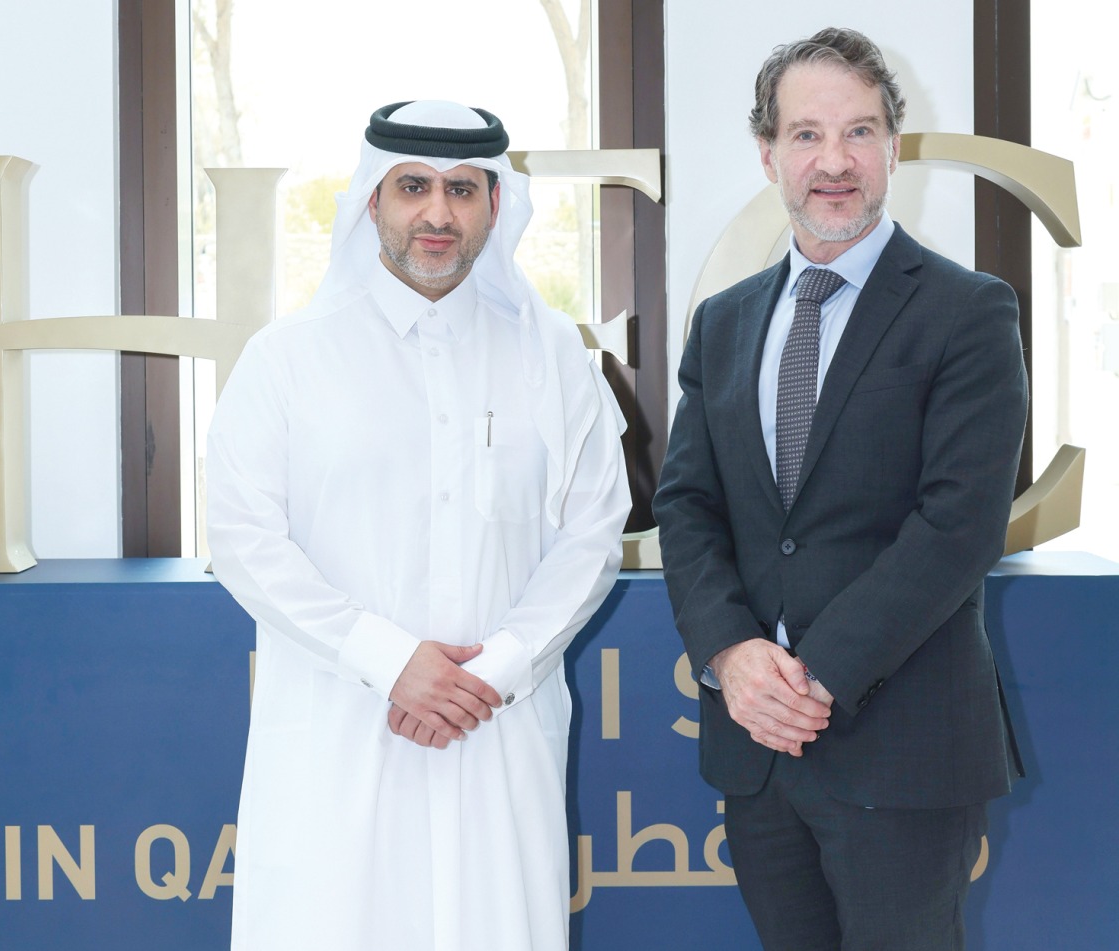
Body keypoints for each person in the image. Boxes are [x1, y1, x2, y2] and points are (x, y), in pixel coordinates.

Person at [206, 100, 630, 951]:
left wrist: (498, 669)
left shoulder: (551, 355)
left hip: (498, 729)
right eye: (413, 187)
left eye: (462, 190)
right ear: (372, 201)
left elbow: (593, 532)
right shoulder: (287, 357)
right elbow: (243, 539)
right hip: (340, 729)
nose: (438, 214)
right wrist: (390, 660)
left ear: (494, 205)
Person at [652, 28, 1027, 951]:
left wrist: (812, 677)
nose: (834, 161)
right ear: (768, 153)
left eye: (859, 133)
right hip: (758, 752)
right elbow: (688, 506)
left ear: (894, 149)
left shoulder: (968, 311)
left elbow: (959, 526)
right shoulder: (724, 322)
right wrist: (733, 657)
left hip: (902, 747)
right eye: (807, 134)